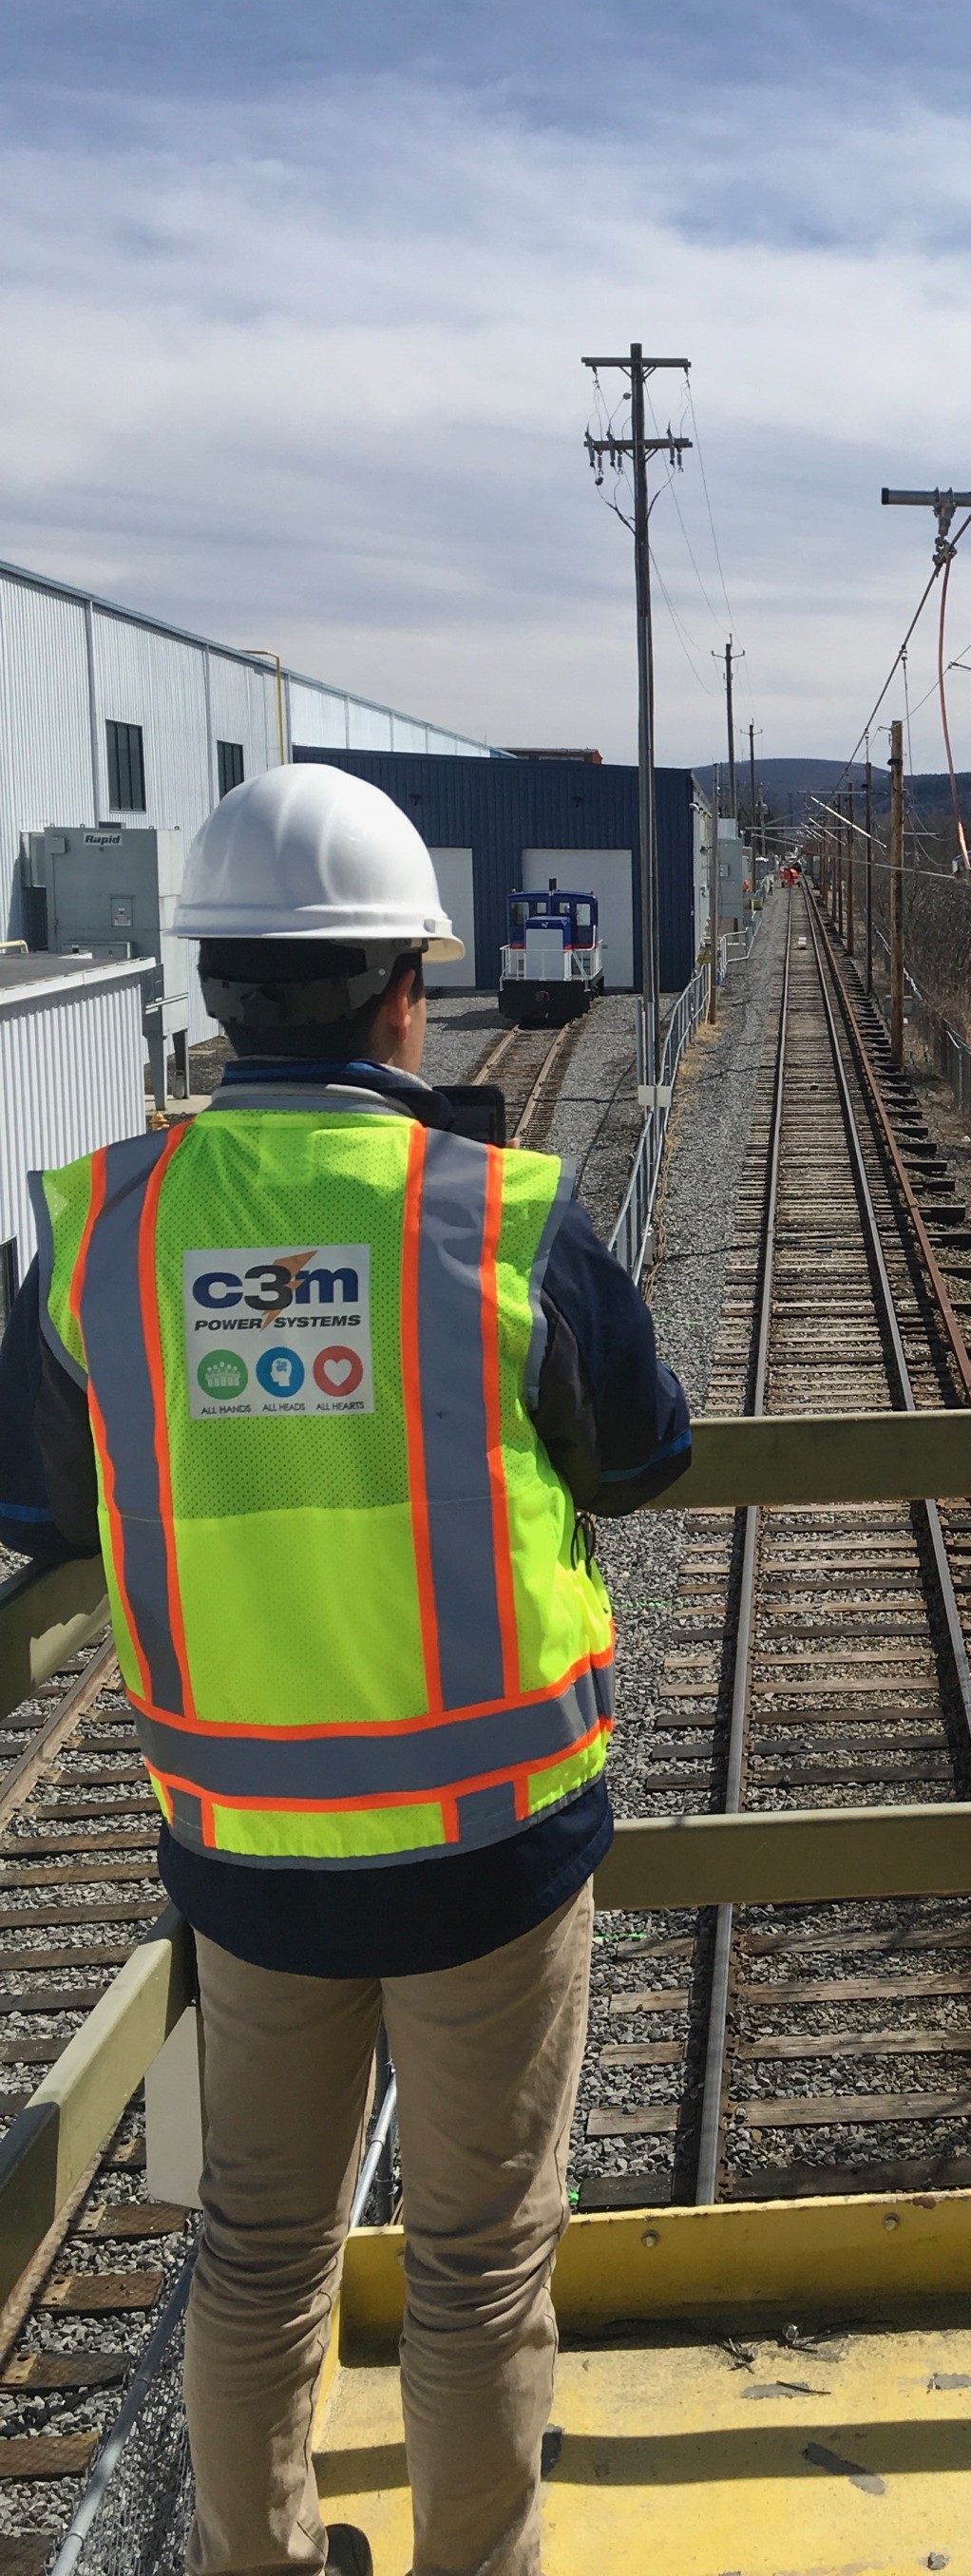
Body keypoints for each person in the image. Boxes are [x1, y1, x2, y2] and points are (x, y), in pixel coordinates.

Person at [0, 764, 692, 2576]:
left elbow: (32, 1492)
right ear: (405, 986)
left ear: (215, 988)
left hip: (249, 1854)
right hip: (492, 1844)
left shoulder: (104, 1229)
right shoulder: (502, 1212)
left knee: (253, 2247)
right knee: (476, 2267)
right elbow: (639, 1451)